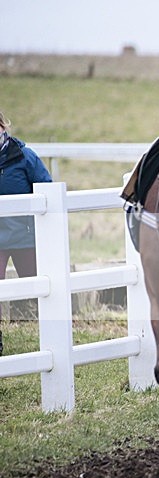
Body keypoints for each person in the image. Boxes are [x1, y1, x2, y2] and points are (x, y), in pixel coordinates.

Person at [0, 110, 53, 356]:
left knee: (41, 288)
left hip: (24, 238)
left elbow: (48, 190)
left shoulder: (24, 157)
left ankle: (52, 335)